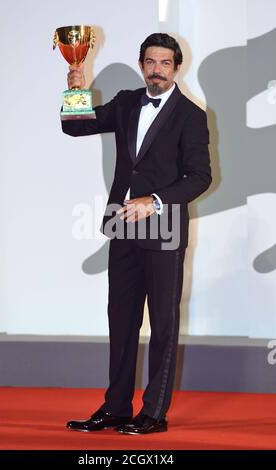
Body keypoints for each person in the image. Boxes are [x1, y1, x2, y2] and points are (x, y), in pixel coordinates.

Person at [63, 33, 211, 435]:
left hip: (162, 227)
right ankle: (116, 407)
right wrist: (75, 91)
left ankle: (154, 413)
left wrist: (156, 199)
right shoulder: (128, 101)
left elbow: (200, 177)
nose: (157, 69)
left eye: (165, 63)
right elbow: (77, 128)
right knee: (122, 320)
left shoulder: (191, 115)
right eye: (150, 62)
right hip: (122, 226)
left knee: (162, 323)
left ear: (177, 67)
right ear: (141, 64)